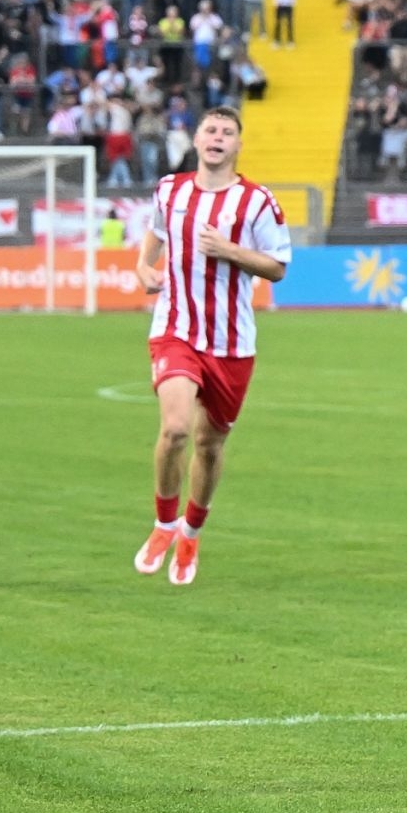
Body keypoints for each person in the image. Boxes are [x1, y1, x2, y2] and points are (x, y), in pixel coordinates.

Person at [131, 107, 291, 586]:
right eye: (210, 130)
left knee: (209, 444)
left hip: (231, 342)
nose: (218, 137)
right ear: (197, 140)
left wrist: (230, 251)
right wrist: (143, 266)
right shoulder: (170, 190)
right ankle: (164, 524)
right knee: (176, 429)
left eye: (227, 132)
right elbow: (157, 232)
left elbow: (278, 267)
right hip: (176, 328)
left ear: (238, 144)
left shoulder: (257, 202)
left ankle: (192, 533)